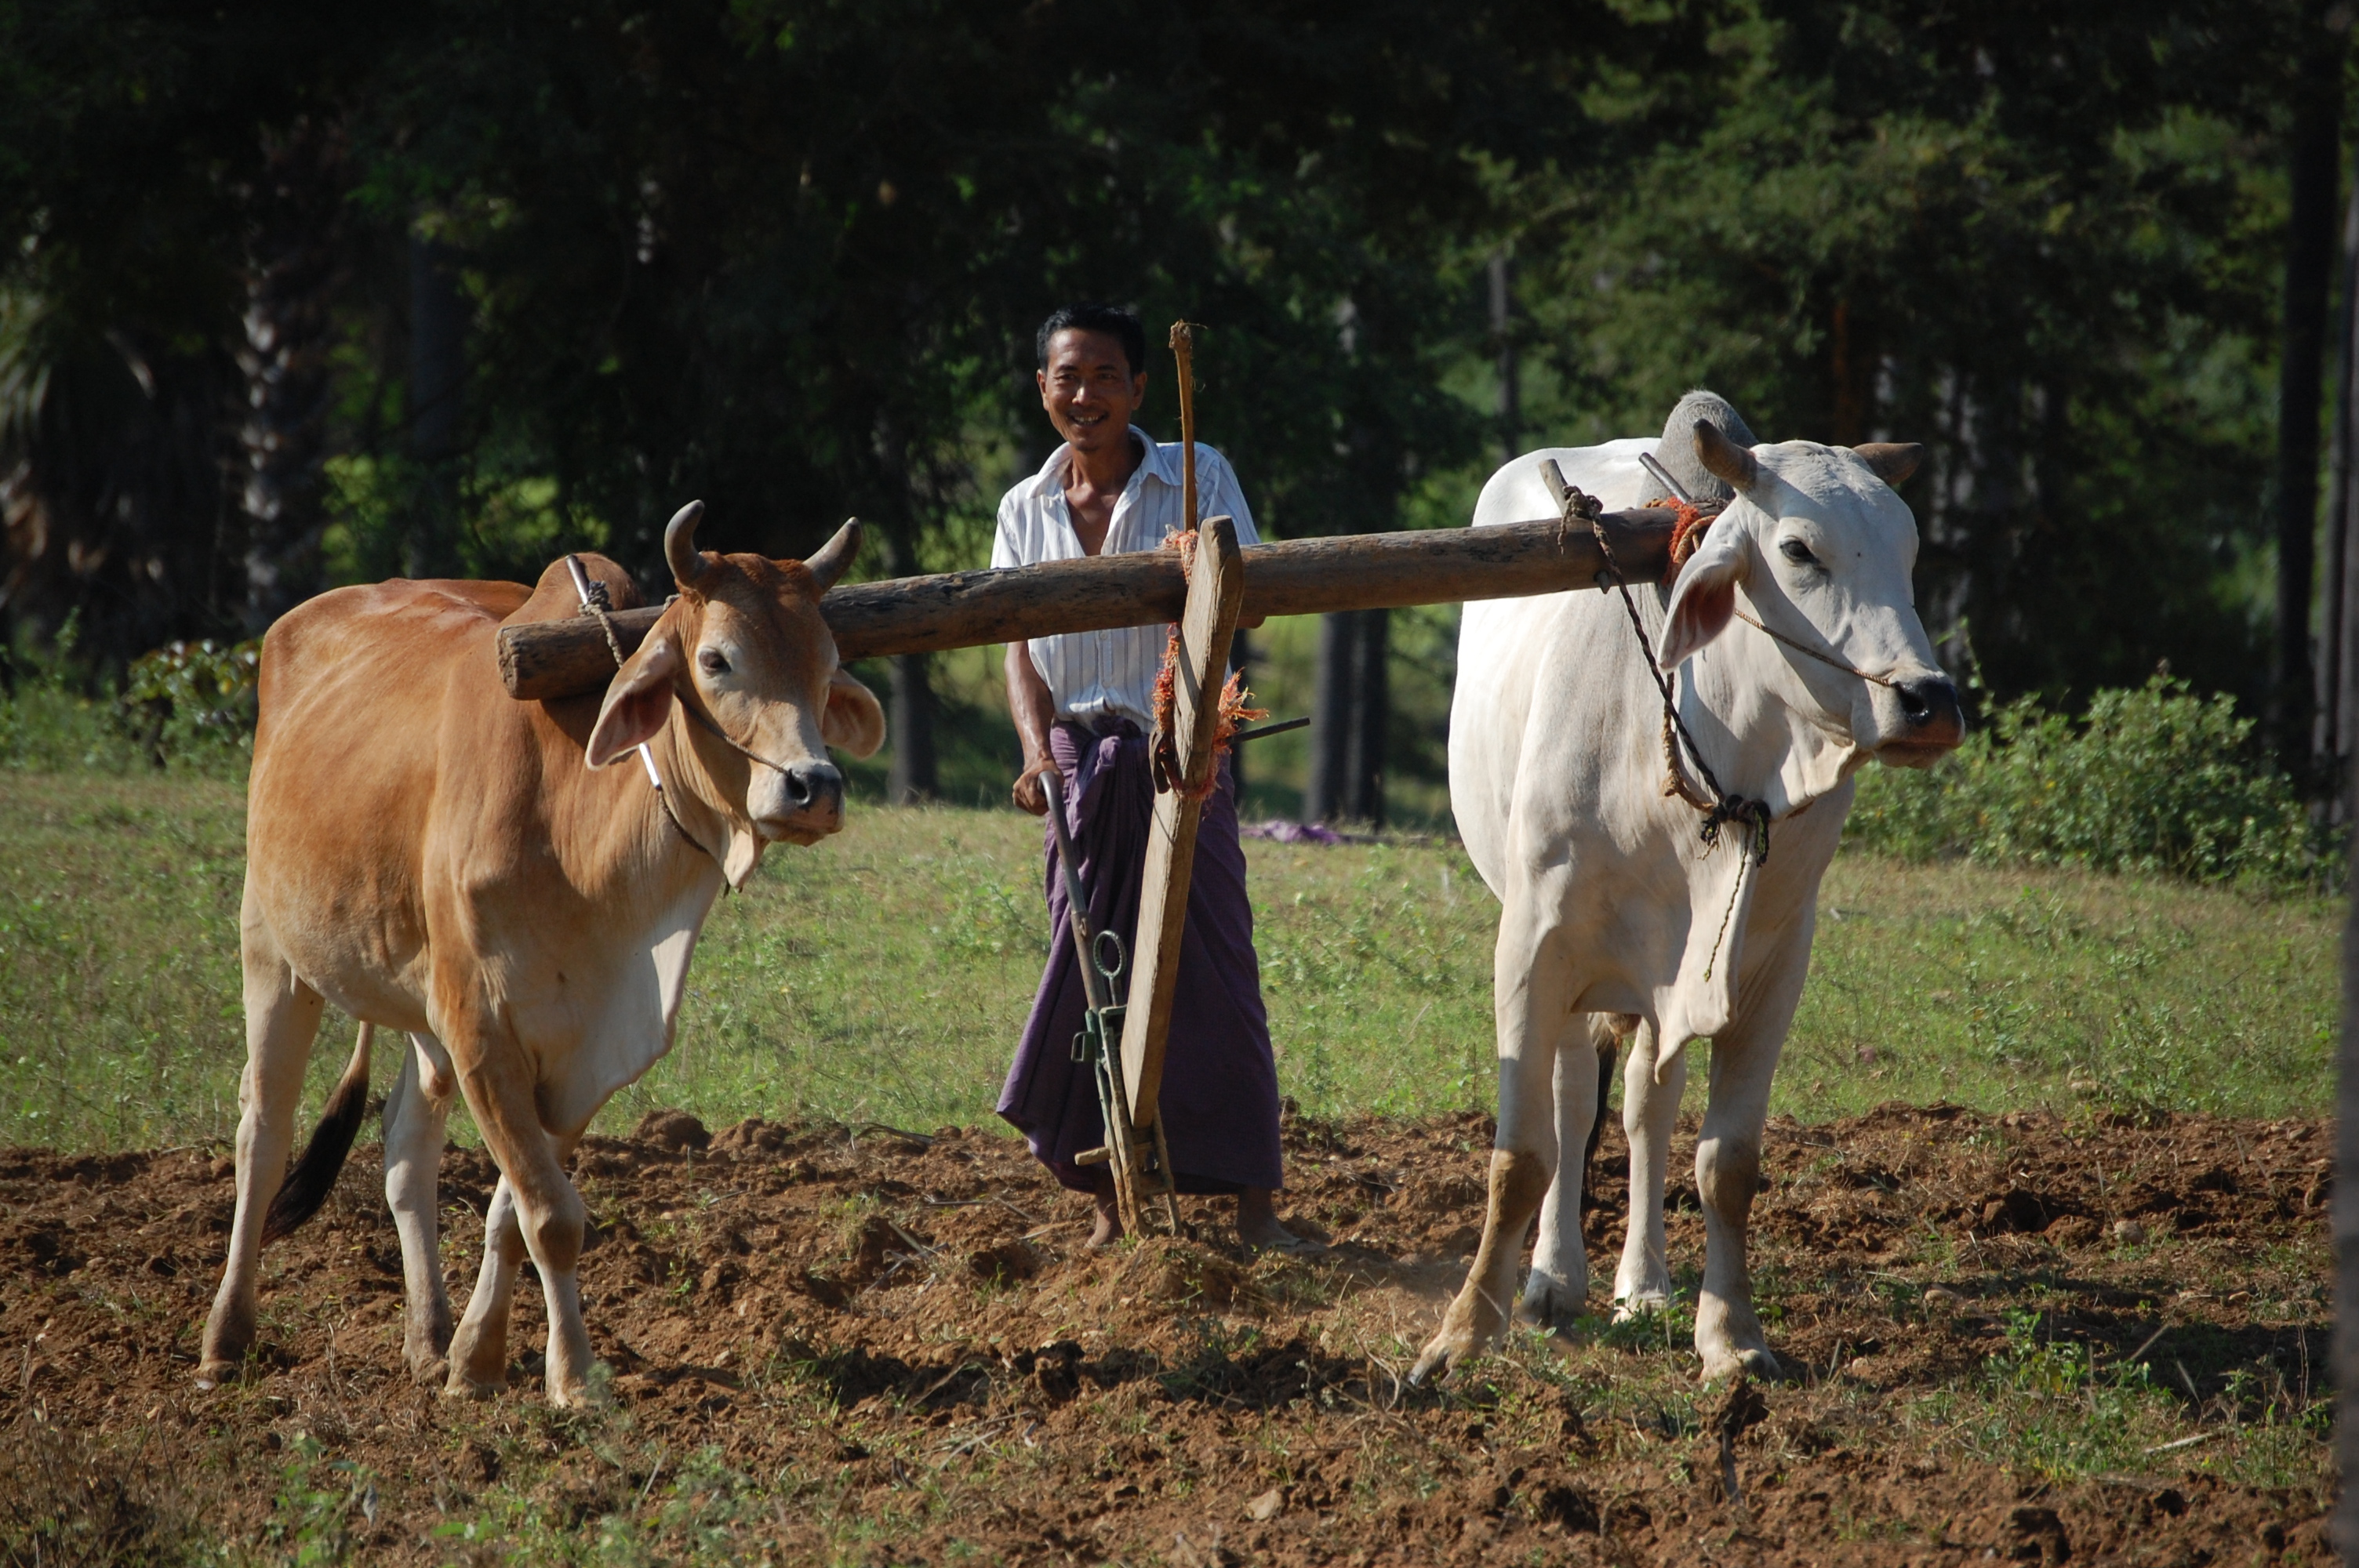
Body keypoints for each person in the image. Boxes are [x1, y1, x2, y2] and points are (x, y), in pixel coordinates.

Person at [991, 303, 1313, 1253]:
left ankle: (1254, 1205)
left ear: (1138, 388)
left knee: (1212, 962)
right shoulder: (1024, 505)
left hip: (1180, 754)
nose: (1082, 394)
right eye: (1065, 377)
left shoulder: (1196, 473)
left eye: (1101, 376)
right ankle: (1106, 1203)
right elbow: (1016, 643)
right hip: (1077, 766)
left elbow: (1246, 610)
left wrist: (1202, 567)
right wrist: (1032, 750)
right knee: (1086, 968)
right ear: (1042, 389)